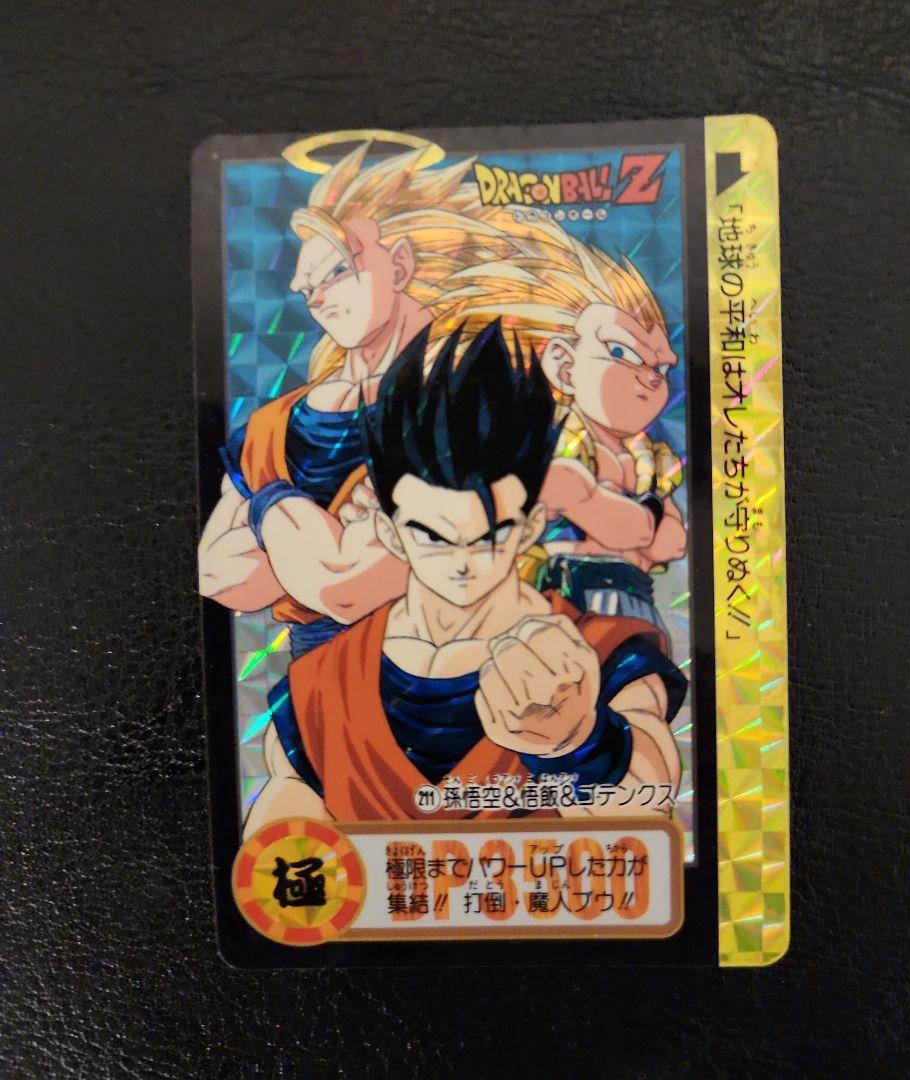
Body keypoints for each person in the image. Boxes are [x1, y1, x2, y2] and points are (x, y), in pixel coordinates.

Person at [243, 320, 685, 834]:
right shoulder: (323, 683)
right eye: (432, 536)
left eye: (490, 536)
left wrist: (581, 740)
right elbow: (277, 845)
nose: (462, 562)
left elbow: (650, 806)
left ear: (531, 526)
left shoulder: (602, 653)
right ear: (389, 532)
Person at [197, 142, 522, 655]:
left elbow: (346, 587)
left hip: (444, 672)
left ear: (400, 265)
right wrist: (317, 538)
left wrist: (268, 507)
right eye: (308, 288)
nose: (319, 298)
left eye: (337, 272)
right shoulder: (275, 422)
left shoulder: (464, 398)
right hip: (314, 679)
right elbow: (218, 574)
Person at [425, 220, 688, 635]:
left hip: (634, 598)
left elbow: (670, 541)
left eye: (659, 367)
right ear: (564, 366)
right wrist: (638, 517)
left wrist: (622, 512)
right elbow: (628, 528)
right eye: (622, 353)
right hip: (559, 598)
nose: (650, 378)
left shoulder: (650, 459)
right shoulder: (546, 449)